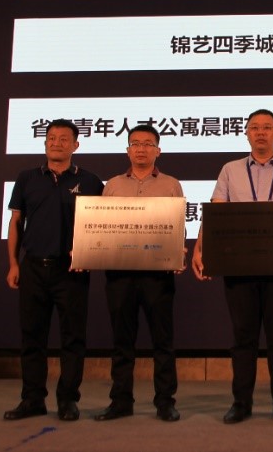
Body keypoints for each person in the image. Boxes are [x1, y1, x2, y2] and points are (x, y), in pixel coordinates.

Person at [190, 108, 273, 425]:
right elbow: (216, 211)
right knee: (243, 338)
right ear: (246, 133)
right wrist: (199, 246)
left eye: (267, 127)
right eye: (255, 127)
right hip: (239, 266)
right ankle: (241, 403)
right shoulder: (230, 170)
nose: (261, 132)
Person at [4, 119, 104, 422]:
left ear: (76, 145)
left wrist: (89, 253)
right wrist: (13, 263)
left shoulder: (90, 181)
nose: (56, 143)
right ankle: (32, 399)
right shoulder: (27, 178)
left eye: (63, 139)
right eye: (51, 138)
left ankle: (68, 400)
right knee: (32, 338)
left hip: (72, 270)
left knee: (73, 339)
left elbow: (101, 224)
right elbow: (16, 222)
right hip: (33, 267)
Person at [93, 124, 185, 423]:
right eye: (135, 143)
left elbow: (178, 227)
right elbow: (101, 227)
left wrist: (178, 251)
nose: (141, 149)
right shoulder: (113, 185)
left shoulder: (171, 184)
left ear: (158, 150)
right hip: (120, 274)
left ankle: (165, 402)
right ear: (128, 150)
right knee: (122, 342)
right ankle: (120, 401)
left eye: (147, 144)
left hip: (158, 275)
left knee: (163, 342)